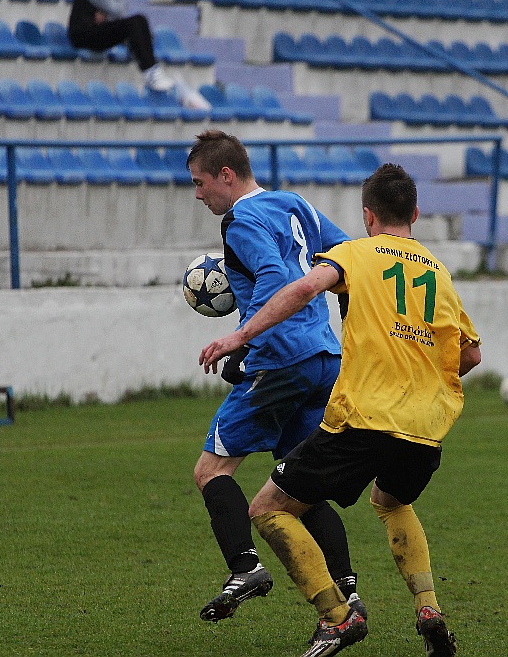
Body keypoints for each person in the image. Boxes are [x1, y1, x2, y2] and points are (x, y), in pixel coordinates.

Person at [200, 163, 481, 657]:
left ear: (368, 216)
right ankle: (428, 608)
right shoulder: (437, 270)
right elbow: (470, 355)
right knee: (391, 502)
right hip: (425, 425)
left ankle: (336, 616)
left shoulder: (354, 254)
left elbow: (303, 288)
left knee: (268, 508)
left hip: (362, 417)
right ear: (415, 213)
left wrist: (239, 336)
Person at [185, 130, 364, 625]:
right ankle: (347, 590)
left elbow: (273, 276)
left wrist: (241, 339)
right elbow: (348, 253)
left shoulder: (241, 220)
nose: (198, 194)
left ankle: (244, 568)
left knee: (210, 471)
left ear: (226, 175)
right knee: (298, 483)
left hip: (281, 360)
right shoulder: (293, 203)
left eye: (199, 182)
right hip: (323, 356)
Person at [68, 0, 176, 92]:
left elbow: (116, 14)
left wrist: (107, 15)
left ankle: (151, 66)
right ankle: (150, 71)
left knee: (140, 22)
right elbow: (118, 11)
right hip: (83, 35)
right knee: (134, 23)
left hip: (96, 30)